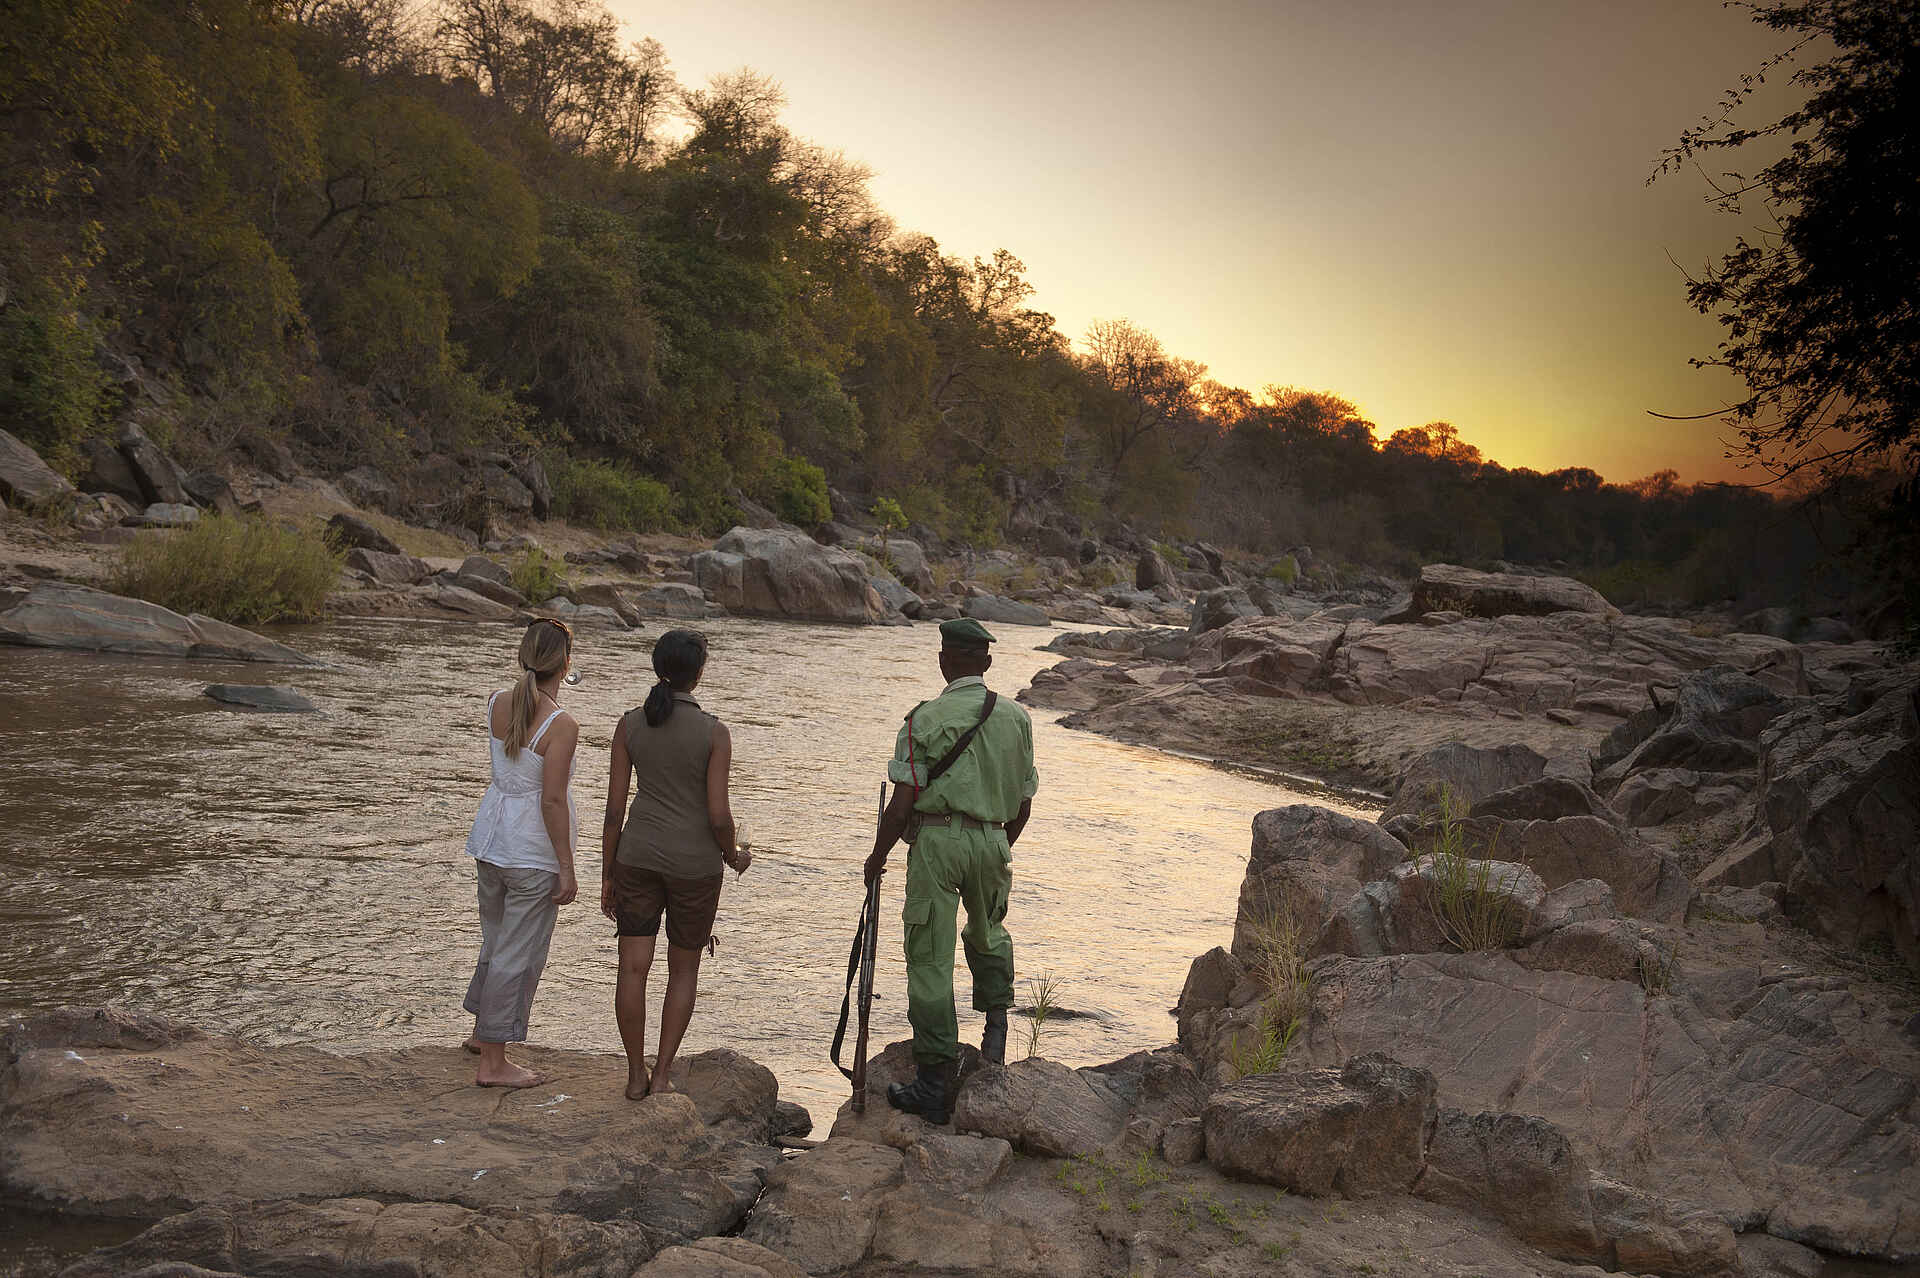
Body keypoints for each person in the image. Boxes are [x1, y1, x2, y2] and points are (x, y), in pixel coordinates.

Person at [864, 617, 1038, 1124]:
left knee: (930, 955)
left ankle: (935, 1082)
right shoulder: (1017, 719)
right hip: (994, 839)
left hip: (936, 840)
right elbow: (1024, 802)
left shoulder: (922, 720)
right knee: (989, 933)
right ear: (985, 662)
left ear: (944, 661)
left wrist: (877, 859)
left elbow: (900, 808)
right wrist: (997, 844)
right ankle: (996, 1039)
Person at [602, 629, 749, 1100]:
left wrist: (607, 873)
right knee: (683, 969)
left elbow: (613, 811)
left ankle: (633, 1076)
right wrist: (735, 855)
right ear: (699, 672)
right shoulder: (714, 733)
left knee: (632, 968)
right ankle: (662, 1074)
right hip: (695, 866)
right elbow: (719, 816)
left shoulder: (628, 725)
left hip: (636, 856)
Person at [461, 617, 581, 1088]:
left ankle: (481, 1035)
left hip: (491, 839)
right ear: (566, 662)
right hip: (531, 850)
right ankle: (493, 1062)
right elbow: (550, 800)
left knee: (495, 940)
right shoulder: (561, 724)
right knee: (520, 951)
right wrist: (567, 866)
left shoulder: (496, 702)